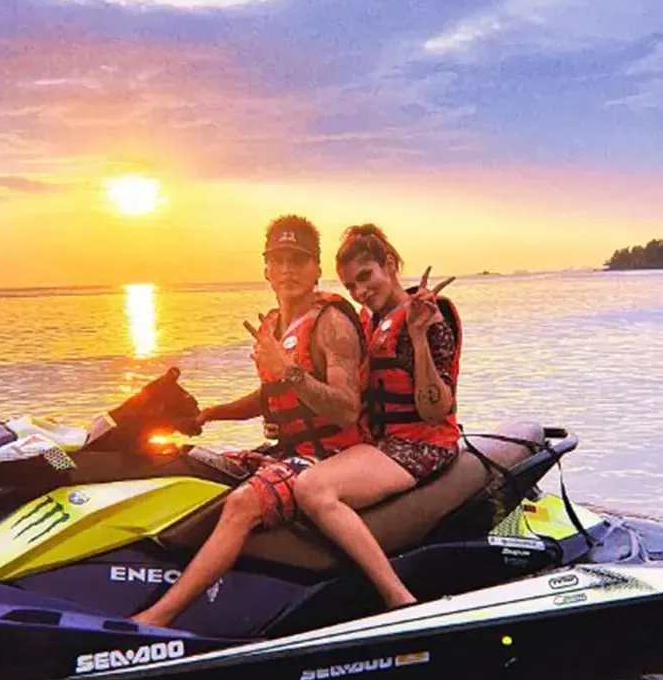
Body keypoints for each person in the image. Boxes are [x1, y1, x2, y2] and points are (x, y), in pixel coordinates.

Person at [133, 215, 368, 626]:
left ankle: (156, 618)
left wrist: (289, 369)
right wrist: (211, 413)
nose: (288, 270)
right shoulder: (274, 325)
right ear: (265, 269)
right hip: (284, 452)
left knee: (243, 503)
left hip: (327, 458)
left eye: (299, 260)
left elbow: (346, 408)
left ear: (316, 268)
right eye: (278, 260)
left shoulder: (332, 323)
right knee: (186, 464)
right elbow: (272, 397)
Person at [292, 223, 461, 609]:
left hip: (422, 443)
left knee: (313, 489)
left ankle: (398, 597)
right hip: (379, 442)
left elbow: (437, 408)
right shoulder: (368, 322)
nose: (360, 292)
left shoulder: (430, 318)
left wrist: (418, 338)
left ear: (389, 265)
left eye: (366, 277)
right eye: (351, 287)